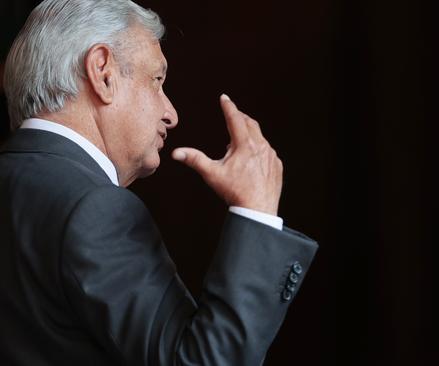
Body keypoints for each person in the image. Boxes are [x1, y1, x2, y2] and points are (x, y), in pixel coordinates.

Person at [0, 0, 318, 365]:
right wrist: (257, 212)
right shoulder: (95, 208)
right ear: (102, 72)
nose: (171, 114)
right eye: (157, 80)